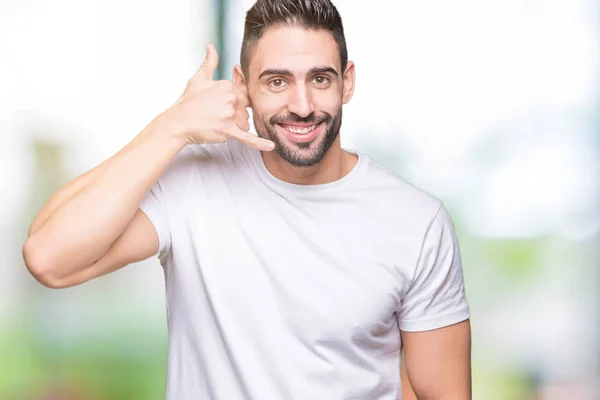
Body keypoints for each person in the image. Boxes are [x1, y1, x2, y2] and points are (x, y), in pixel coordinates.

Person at [22, 0, 472, 398]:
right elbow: (49, 258)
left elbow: (441, 392)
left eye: (319, 78)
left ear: (347, 82)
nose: (301, 105)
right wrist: (172, 126)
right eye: (277, 82)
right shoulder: (192, 182)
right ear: (243, 86)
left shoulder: (415, 221)